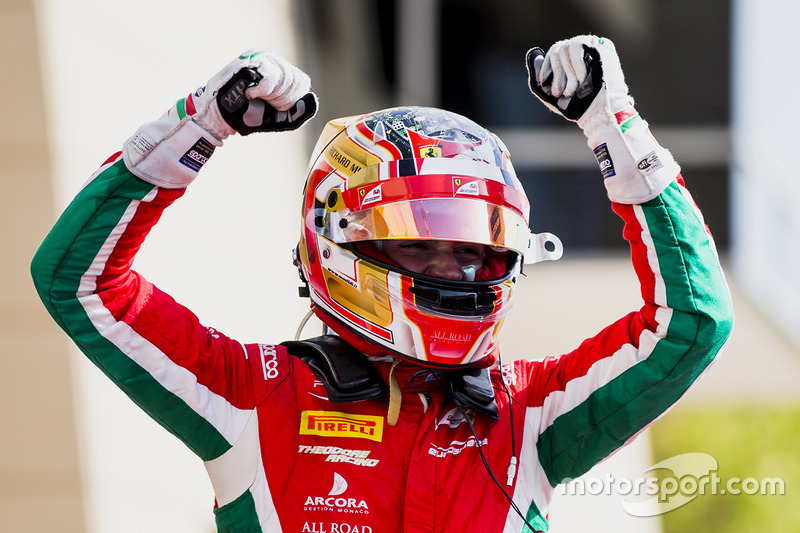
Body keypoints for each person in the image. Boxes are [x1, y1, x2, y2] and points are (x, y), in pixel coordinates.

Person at [31, 35, 733, 532]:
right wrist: (200, 125)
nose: (455, 271)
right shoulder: (249, 392)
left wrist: (619, 128)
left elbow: (694, 321)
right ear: (338, 237)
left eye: (475, 250)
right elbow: (76, 280)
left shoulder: (531, 417)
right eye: (424, 245)